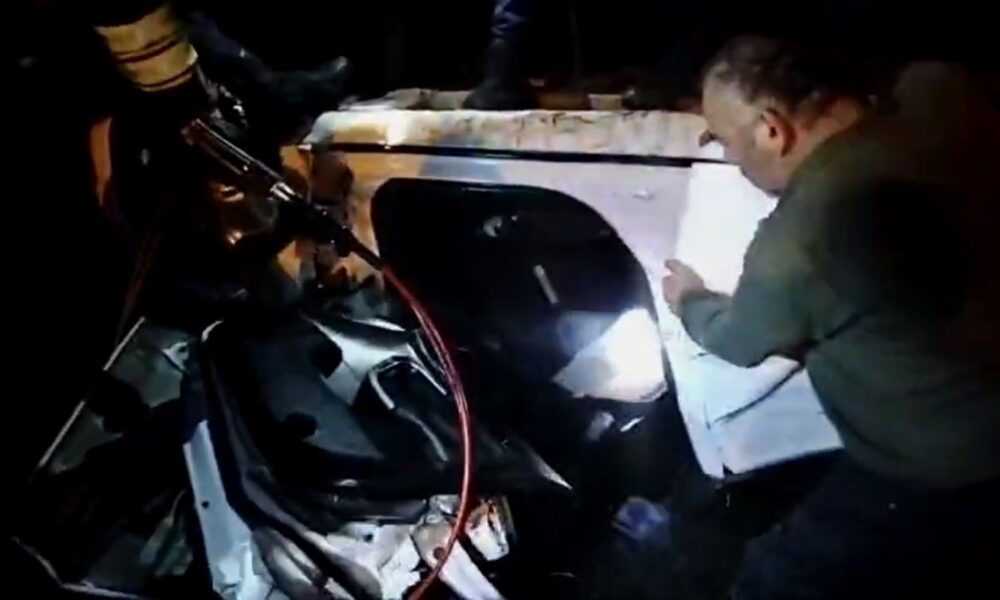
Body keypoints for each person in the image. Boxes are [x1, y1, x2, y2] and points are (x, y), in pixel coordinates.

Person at [661, 36, 1000, 599]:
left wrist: (691, 299)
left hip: (943, 470)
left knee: (774, 578)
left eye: (725, 142)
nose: (730, 159)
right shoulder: (943, 104)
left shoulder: (807, 233)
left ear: (772, 131)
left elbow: (739, 339)